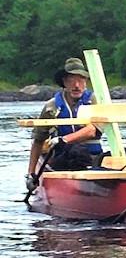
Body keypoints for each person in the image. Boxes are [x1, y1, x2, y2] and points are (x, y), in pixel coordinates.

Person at [25, 58, 103, 192]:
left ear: (86, 82)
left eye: (80, 80)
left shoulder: (94, 101)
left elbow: (92, 130)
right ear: (64, 82)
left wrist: (64, 140)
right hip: (63, 159)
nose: (76, 85)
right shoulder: (52, 107)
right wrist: (31, 174)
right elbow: (38, 141)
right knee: (71, 154)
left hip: (92, 158)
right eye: (71, 81)